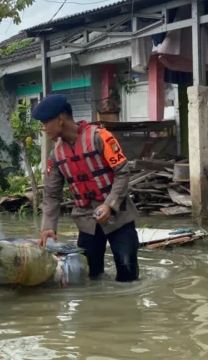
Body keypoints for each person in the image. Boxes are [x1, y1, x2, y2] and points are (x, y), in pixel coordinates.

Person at [33, 94, 139, 282]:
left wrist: (109, 205)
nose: (43, 128)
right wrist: (48, 228)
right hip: (87, 220)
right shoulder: (56, 155)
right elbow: (51, 195)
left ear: (60, 118)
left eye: (45, 122)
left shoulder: (100, 137)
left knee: (127, 271)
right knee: (89, 276)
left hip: (119, 216)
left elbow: (122, 173)